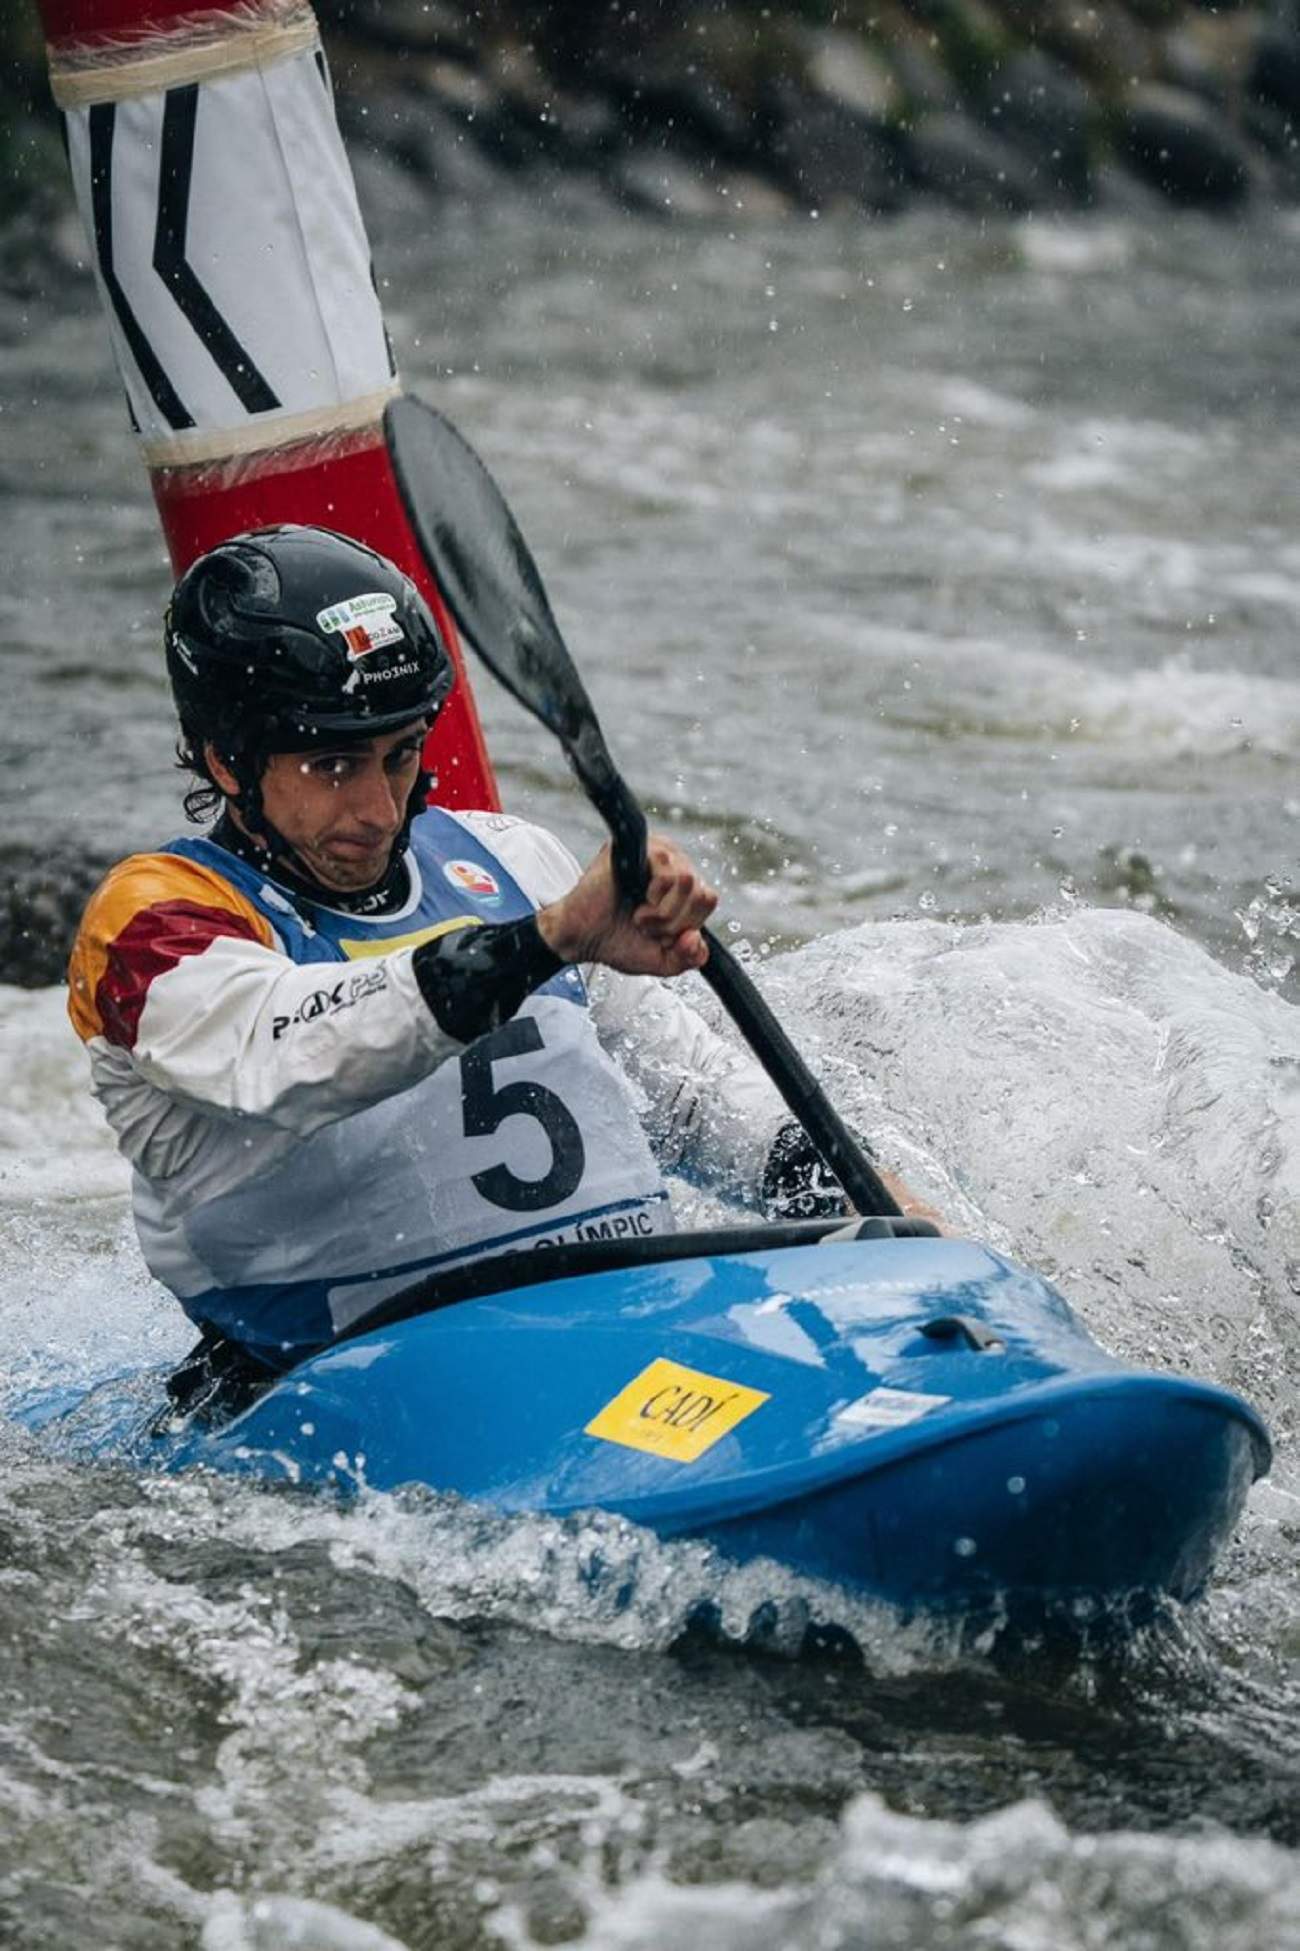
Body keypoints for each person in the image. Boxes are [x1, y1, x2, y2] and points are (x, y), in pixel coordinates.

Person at [68, 524, 920, 1399]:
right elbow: (298, 1052)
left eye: (399, 755)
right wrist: (543, 941)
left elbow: (683, 1093)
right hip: (358, 1389)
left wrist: (838, 1190)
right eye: (332, 764)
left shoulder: (510, 859)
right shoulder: (153, 926)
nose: (375, 807)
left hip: (633, 1324)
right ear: (227, 758)